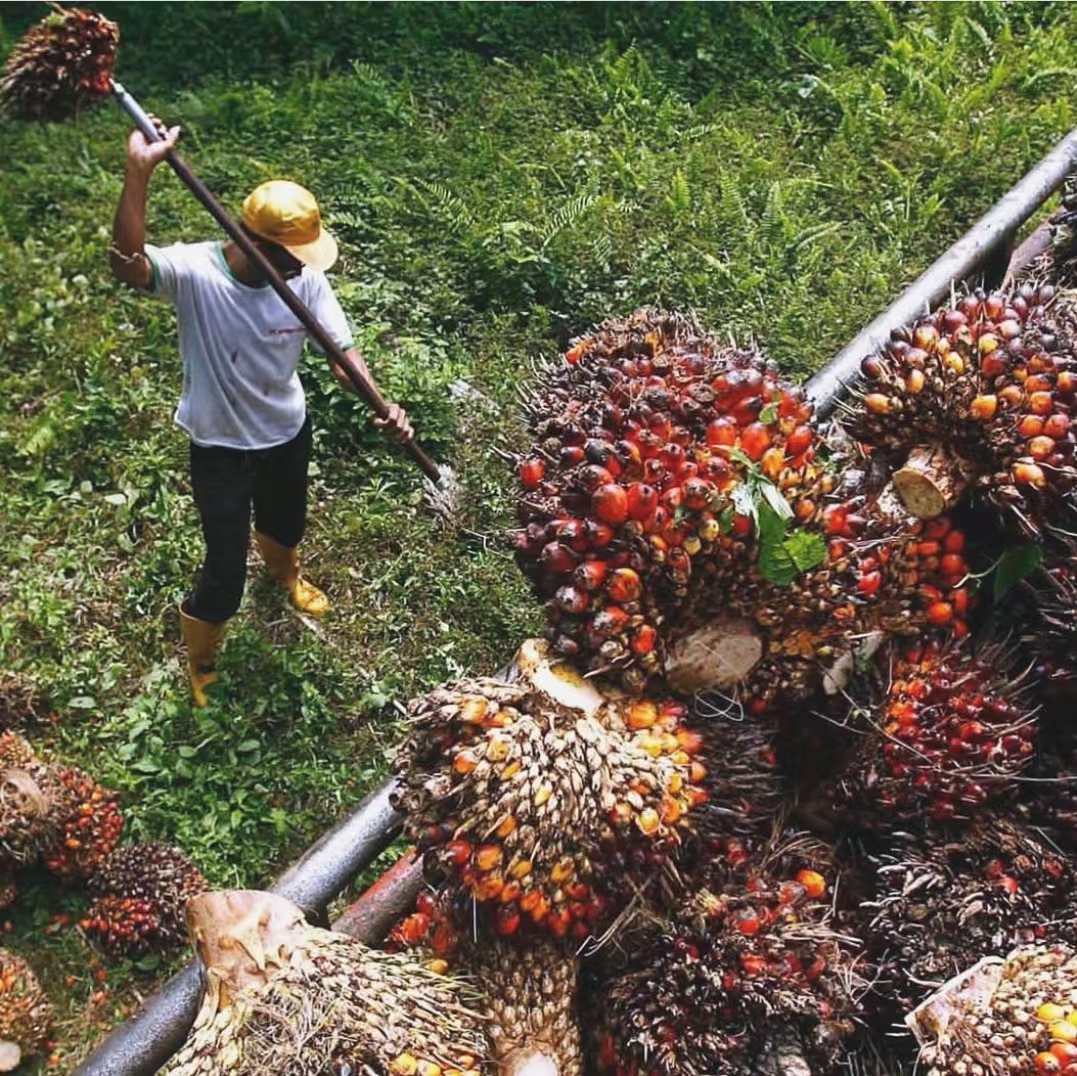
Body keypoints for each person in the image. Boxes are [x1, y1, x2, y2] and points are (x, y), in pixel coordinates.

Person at [110, 118, 413, 706]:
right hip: (219, 445)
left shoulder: (304, 281)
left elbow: (341, 353)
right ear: (255, 245)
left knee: (286, 523)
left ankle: (287, 578)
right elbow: (126, 265)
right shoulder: (196, 273)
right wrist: (138, 172)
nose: (306, 265)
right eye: (294, 255)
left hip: (284, 432)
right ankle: (201, 660)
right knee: (224, 566)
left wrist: (383, 404)